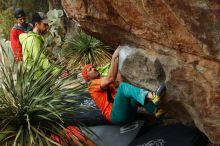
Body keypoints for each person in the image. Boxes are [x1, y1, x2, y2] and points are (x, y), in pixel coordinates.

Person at [81, 47, 166, 125]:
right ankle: (153, 96)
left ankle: (156, 111)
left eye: (93, 67)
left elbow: (119, 82)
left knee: (132, 93)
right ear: (87, 77)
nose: (94, 68)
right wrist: (114, 57)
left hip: (126, 114)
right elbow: (111, 79)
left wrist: (118, 60)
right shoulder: (92, 85)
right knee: (123, 87)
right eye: (90, 69)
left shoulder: (100, 82)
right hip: (115, 116)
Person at [19, 12, 68, 78]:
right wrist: (58, 72)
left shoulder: (36, 38)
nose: (47, 26)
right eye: (44, 24)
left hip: (41, 77)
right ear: (36, 24)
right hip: (37, 80)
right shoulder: (33, 40)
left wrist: (59, 69)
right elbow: (40, 60)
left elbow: (45, 59)